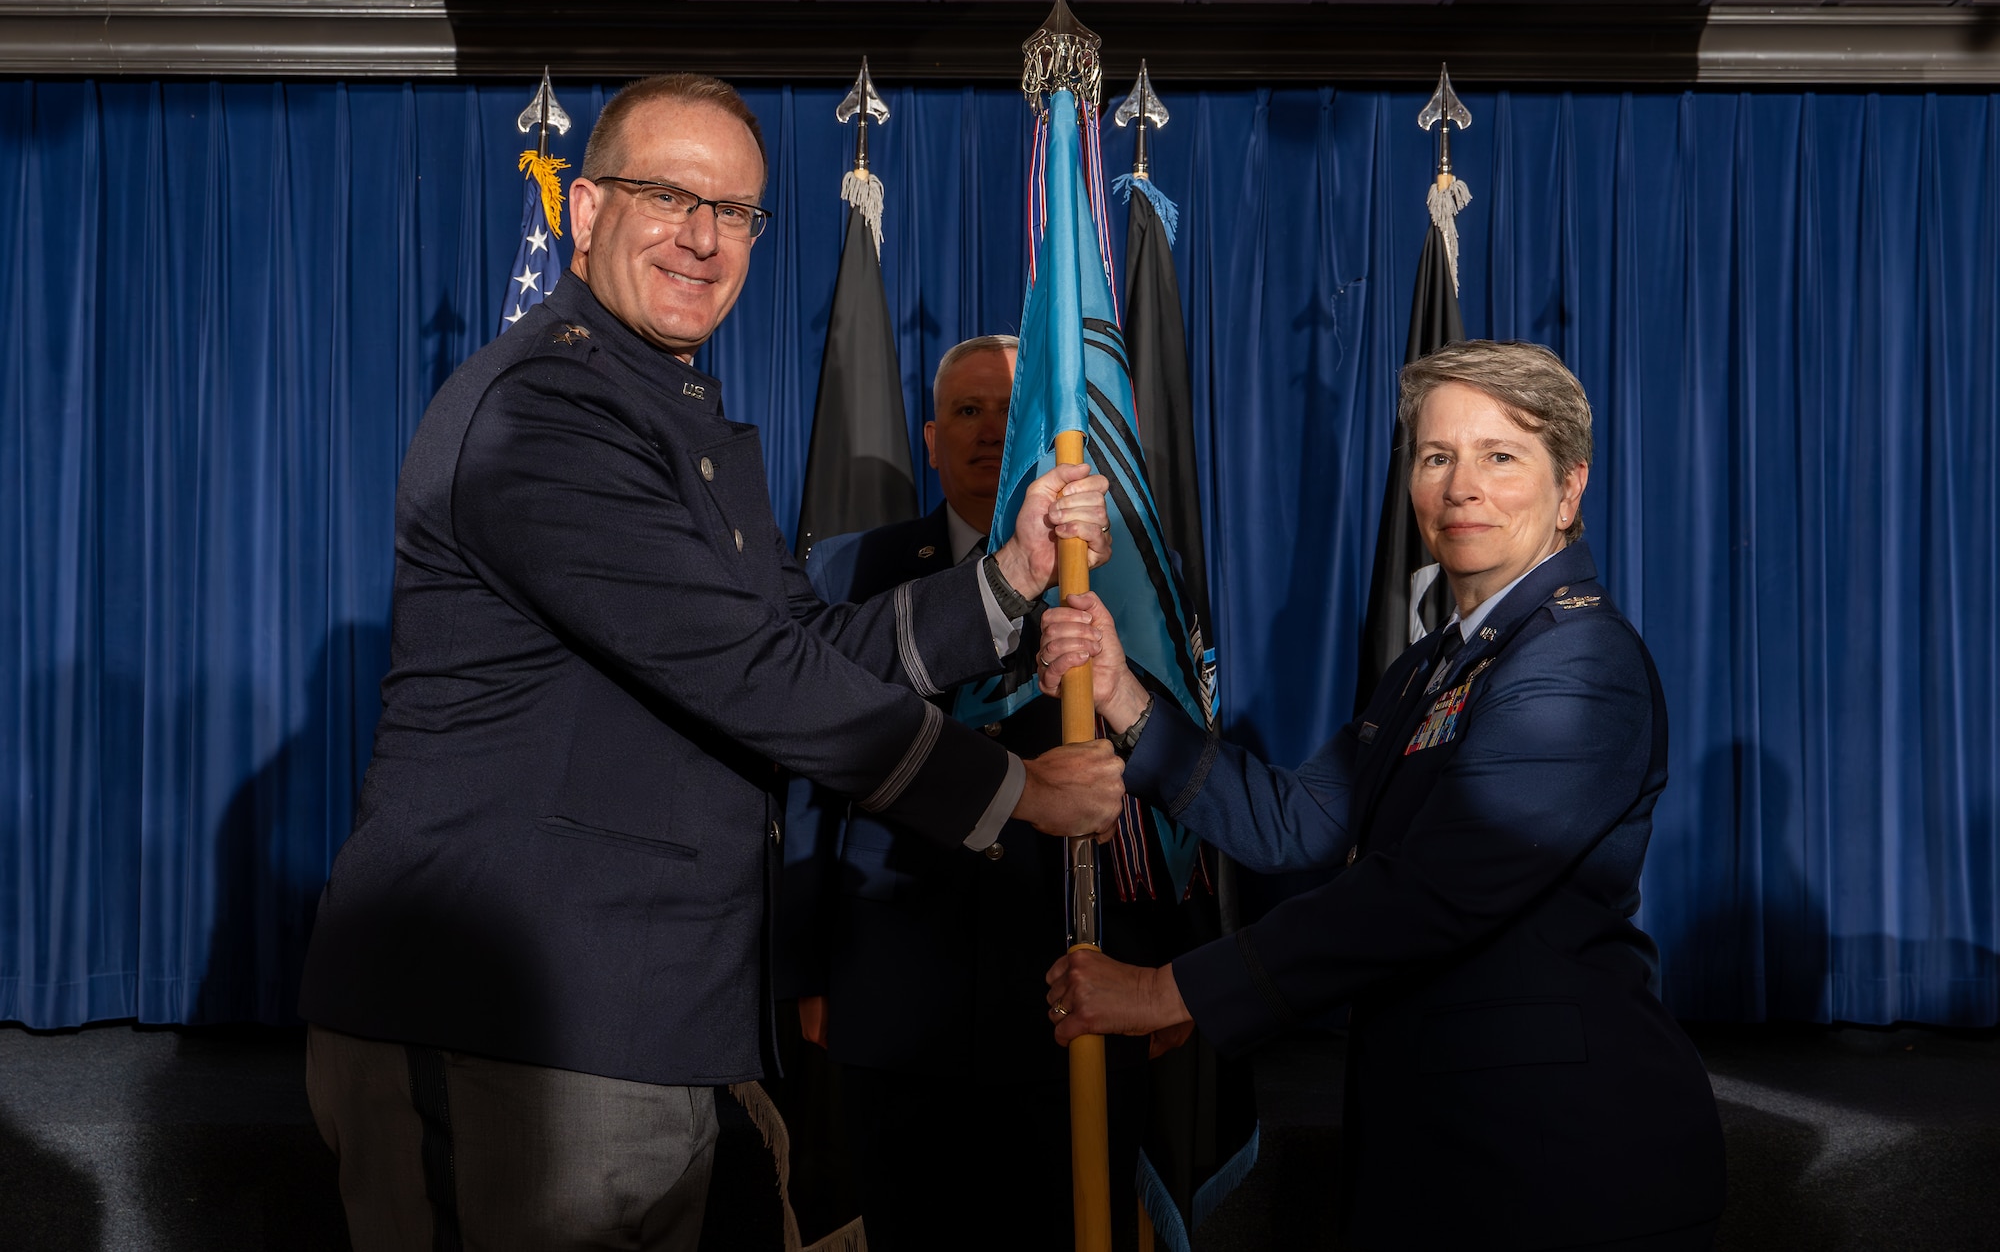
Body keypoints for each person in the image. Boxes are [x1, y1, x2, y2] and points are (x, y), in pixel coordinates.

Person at [296, 73, 1128, 1252]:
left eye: (734, 211)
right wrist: (1014, 791)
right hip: (504, 1026)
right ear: (582, 210)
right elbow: (755, 678)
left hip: (647, 1015)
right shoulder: (545, 416)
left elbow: (804, 643)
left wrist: (1007, 581)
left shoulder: (671, 417)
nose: (703, 235)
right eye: (665, 196)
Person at [1036, 340, 1728, 1250]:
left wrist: (1172, 991)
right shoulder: (1434, 663)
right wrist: (1125, 696)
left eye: (1501, 455)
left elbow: (1428, 891)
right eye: (1437, 457)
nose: (1460, 486)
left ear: (1570, 489)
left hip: (1560, 1157)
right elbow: (1297, 821)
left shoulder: (1578, 662)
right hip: (1442, 1139)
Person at [780, 336, 1192, 1252]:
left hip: (1071, 977)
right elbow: (810, 772)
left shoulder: (1123, 576)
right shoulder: (852, 570)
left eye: (1013, 413)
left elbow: (1171, 781)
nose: (990, 431)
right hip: (895, 985)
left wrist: (1169, 971)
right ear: (930, 437)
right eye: (967, 411)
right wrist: (808, 966)